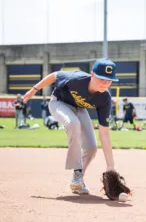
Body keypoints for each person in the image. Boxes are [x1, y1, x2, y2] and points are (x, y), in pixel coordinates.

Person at [22, 58, 119, 195]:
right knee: (73, 123)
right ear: (92, 74)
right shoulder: (77, 78)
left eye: (109, 80)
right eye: (101, 78)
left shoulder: (105, 99)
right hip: (58, 103)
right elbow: (54, 75)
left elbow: (104, 133)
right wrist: (34, 90)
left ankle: (77, 180)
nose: (105, 83)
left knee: (92, 147)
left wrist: (111, 166)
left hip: (79, 109)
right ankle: (77, 170)